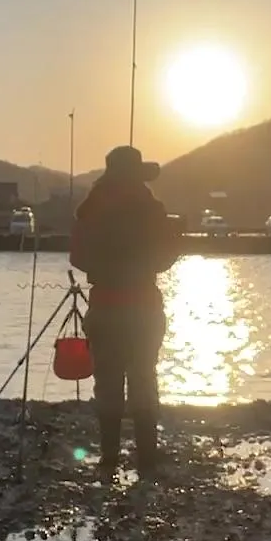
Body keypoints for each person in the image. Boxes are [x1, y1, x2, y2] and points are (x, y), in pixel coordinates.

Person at [69, 145, 182, 480]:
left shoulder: (91, 207)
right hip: (144, 307)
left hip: (105, 306)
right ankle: (147, 459)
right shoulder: (151, 207)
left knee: (107, 382)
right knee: (143, 378)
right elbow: (166, 257)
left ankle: (109, 459)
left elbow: (77, 257)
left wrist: (106, 266)